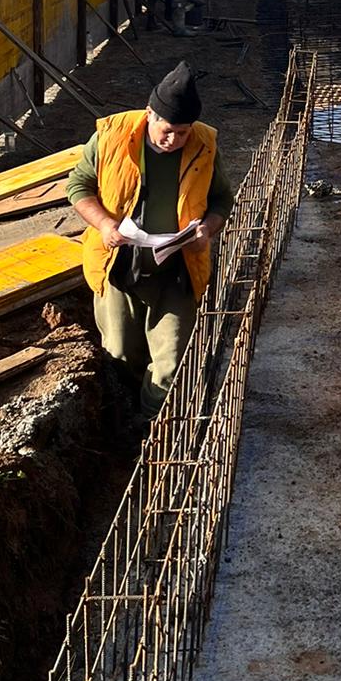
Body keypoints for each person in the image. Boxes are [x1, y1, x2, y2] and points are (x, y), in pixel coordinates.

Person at [66, 61, 233, 424]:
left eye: (183, 133)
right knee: (121, 353)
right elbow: (77, 187)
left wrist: (206, 230)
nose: (174, 140)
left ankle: (147, 429)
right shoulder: (111, 137)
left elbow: (222, 199)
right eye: (168, 130)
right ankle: (119, 418)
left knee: (171, 361)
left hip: (177, 267)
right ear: (149, 115)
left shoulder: (205, 144)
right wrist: (106, 225)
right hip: (119, 265)